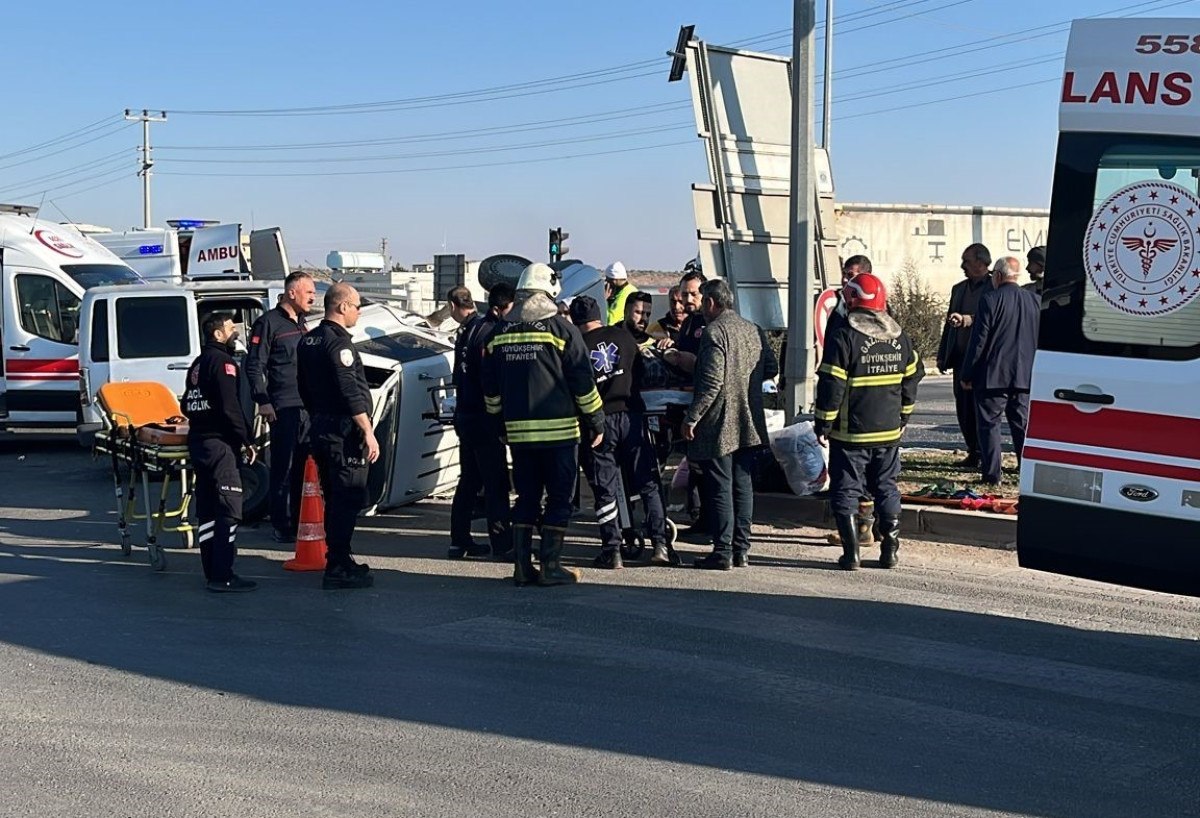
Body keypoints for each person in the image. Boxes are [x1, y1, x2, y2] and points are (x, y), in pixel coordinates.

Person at [483, 263, 605, 587]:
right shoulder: (563, 331)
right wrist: (596, 420)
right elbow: (583, 382)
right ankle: (551, 566)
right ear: (550, 292)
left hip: (519, 437)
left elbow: (491, 390)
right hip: (560, 435)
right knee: (559, 498)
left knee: (526, 498)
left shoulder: (498, 334)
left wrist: (499, 424)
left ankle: (522, 568)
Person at [815, 273, 924, 570]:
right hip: (889, 433)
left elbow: (831, 384)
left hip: (852, 435)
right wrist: (904, 415)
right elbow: (913, 376)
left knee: (846, 489)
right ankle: (890, 551)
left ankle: (851, 555)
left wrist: (823, 423)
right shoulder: (899, 336)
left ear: (851, 301)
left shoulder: (844, 336)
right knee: (886, 486)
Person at [683, 279, 779, 570]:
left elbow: (712, 382)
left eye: (703, 302)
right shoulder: (753, 330)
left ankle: (722, 551)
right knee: (743, 484)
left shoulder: (714, 332)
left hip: (720, 422)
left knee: (721, 487)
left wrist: (692, 418)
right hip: (749, 419)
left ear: (711, 302)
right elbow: (771, 368)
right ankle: (742, 550)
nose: (701, 308)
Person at [569, 295, 671, 568]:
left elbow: (578, 389)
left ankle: (612, 550)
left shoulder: (578, 347)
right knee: (648, 481)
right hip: (632, 416)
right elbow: (644, 373)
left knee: (606, 489)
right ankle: (660, 544)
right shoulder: (624, 338)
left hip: (600, 424)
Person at [297, 283, 379, 590]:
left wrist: (318, 414)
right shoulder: (338, 344)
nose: (358, 312)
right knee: (347, 498)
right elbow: (349, 392)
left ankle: (340, 558)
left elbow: (302, 386)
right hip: (344, 432)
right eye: (357, 306)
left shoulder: (309, 341)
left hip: (321, 426)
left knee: (334, 497)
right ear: (342, 306)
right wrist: (367, 430)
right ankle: (338, 566)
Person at [183, 312, 257, 593]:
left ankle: (211, 570)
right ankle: (223, 574)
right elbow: (230, 407)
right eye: (230, 327)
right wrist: (247, 439)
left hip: (199, 443)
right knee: (228, 507)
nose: (235, 331)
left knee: (208, 511)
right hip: (220, 446)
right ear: (217, 334)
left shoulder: (198, 363)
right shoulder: (224, 363)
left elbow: (186, 405)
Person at [245, 271, 316, 545]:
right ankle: (281, 524)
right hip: (283, 407)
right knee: (283, 469)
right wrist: (263, 400)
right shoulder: (268, 324)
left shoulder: (302, 323)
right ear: (292, 293)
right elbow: (254, 366)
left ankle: (301, 520)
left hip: (307, 408)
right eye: (309, 292)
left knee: (304, 468)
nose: (313, 297)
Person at [448, 282, 515, 561]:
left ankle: (459, 540)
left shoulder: (467, 332)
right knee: (495, 481)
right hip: (484, 416)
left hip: (465, 414)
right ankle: (502, 544)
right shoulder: (491, 331)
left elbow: (458, 377)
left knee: (469, 480)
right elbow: (493, 380)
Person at [961, 257, 1040, 486]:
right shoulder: (1034, 301)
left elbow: (979, 342)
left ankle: (992, 474)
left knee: (989, 425)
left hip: (993, 375)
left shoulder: (990, 299)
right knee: (1021, 424)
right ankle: (1026, 471)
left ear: (997, 276)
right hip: (1025, 374)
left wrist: (967, 374)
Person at [937, 243, 992, 468]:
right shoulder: (958, 289)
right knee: (964, 409)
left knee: (982, 410)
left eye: (966, 261)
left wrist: (968, 319)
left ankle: (985, 453)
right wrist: (942, 354)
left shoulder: (995, 287)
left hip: (983, 361)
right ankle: (972, 451)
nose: (963, 266)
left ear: (980, 262)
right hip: (960, 359)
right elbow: (948, 327)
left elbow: (992, 321)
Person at [603, 261, 639, 327]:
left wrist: (604, 301)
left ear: (614, 280)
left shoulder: (624, 295)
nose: (607, 284)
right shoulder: (631, 289)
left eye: (608, 280)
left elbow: (610, 321)